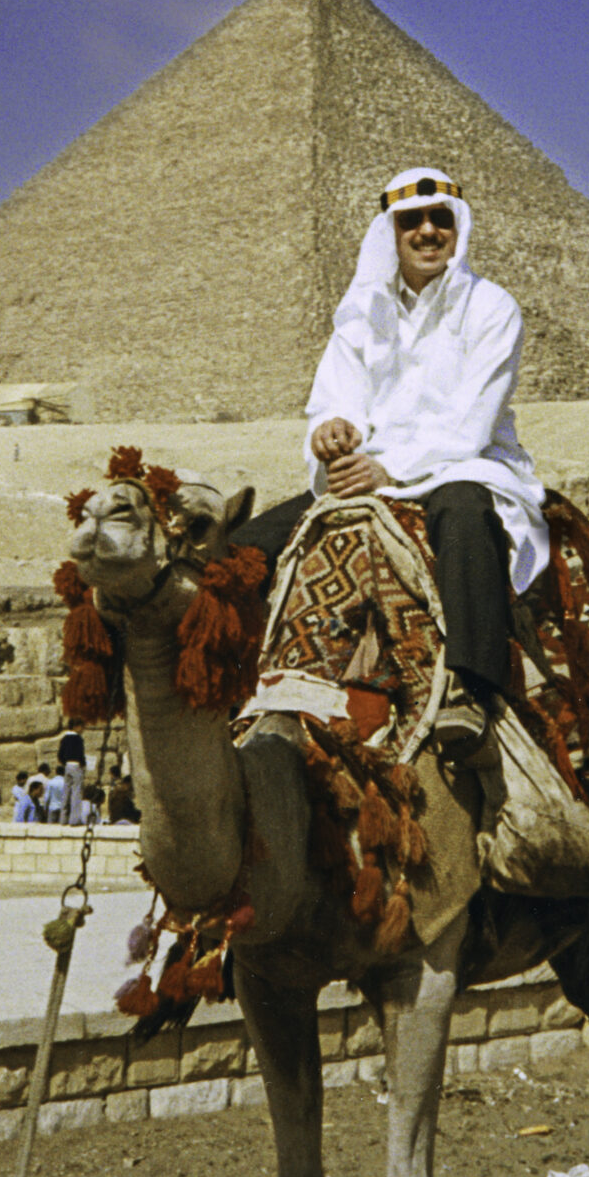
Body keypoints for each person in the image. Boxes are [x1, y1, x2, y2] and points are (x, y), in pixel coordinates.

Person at [231, 169, 548, 755]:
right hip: (364, 476)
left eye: (440, 220)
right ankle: (225, 694)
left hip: (464, 466)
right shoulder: (361, 312)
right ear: (391, 233)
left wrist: (388, 470)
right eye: (412, 222)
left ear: (459, 227)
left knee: (464, 513)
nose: (427, 232)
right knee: (239, 554)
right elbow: (336, 398)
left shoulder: (491, 308)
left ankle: (467, 688)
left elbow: (468, 426)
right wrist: (332, 435)